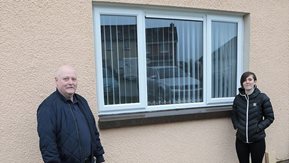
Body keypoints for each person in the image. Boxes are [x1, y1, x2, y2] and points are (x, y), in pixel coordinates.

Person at [37, 65, 105, 163]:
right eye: (66, 79)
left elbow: (93, 132)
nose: (70, 82)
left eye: (73, 79)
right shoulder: (47, 108)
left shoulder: (82, 102)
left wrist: (99, 157)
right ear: (56, 81)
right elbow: (48, 145)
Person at [231, 71, 274, 163]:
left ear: (255, 82)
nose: (247, 82)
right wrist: (237, 126)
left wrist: (258, 128)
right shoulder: (238, 99)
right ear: (242, 83)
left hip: (257, 141)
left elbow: (270, 117)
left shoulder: (262, 98)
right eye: (244, 80)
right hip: (241, 141)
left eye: (250, 79)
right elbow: (234, 115)